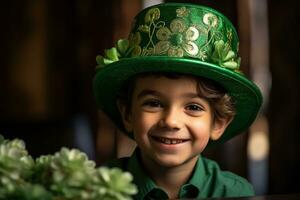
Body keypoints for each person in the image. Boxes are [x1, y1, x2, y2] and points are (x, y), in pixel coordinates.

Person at [93, 2, 262, 199]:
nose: (171, 121)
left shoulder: (234, 193)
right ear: (128, 113)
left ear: (218, 123)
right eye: (153, 103)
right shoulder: (97, 188)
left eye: (193, 107)